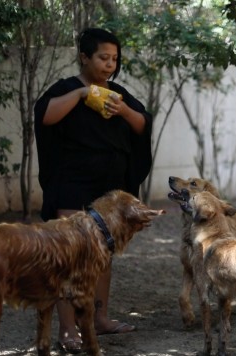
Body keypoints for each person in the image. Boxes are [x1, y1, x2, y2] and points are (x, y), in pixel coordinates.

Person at [34, 28, 153, 353]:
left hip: (109, 189)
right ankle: (69, 329)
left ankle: (99, 320)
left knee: (103, 256)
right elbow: (45, 116)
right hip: (72, 184)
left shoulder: (118, 93)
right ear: (84, 57)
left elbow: (143, 124)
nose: (110, 65)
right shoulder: (66, 89)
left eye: (114, 59)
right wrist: (81, 95)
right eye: (103, 58)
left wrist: (124, 111)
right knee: (70, 256)